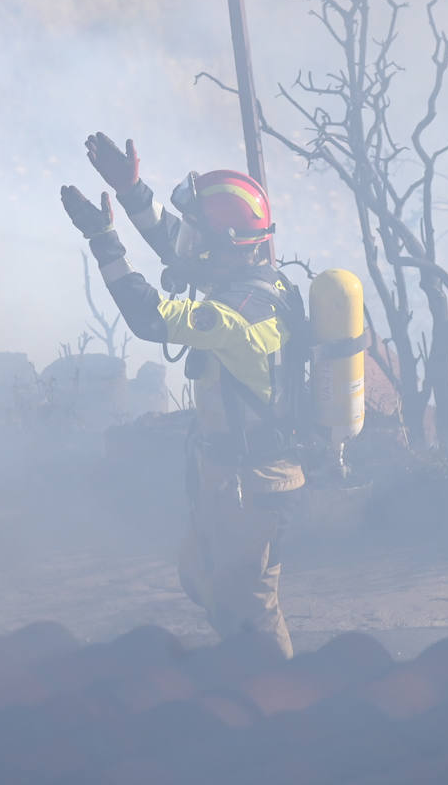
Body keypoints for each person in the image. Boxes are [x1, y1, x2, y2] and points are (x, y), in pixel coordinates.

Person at [61, 132, 306, 658]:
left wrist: (105, 239)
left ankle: (281, 703)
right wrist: (131, 192)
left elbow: (148, 313)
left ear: (227, 248)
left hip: (254, 483)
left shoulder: (235, 314)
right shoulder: (255, 277)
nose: (187, 246)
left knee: (254, 613)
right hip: (226, 474)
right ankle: (245, 678)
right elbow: (183, 244)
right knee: (205, 580)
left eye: (200, 238)